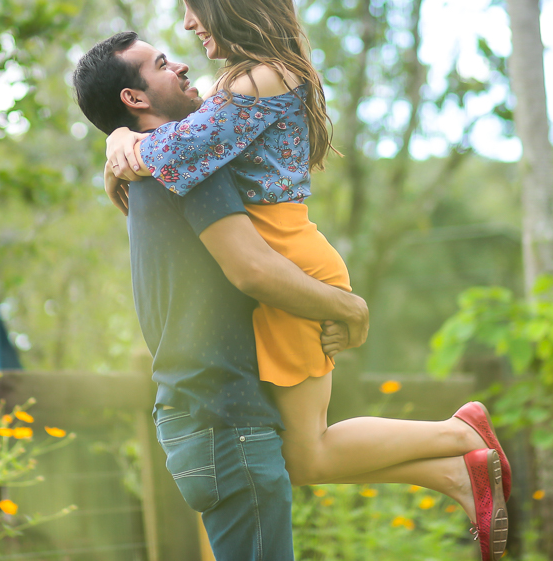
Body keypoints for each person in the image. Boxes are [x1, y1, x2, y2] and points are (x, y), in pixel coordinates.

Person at [99, 0, 509, 561]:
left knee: (308, 452)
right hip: (284, 258)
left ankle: (459, 434)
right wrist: (119, 141)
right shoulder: (242, 79)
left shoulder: (263, 77)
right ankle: (457, 472)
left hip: (288, 262)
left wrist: (120, 146)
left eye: (194, 5)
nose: (187, 23)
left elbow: (182, 148)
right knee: (302, 455)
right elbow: (182, 135)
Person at [73, 31, 371, 560]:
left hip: (200, 420)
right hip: (225, 421)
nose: (181, 66)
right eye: (162, 64)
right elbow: (253, 269)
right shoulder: (188, 167)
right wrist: (348, 308)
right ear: (133, 97)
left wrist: (118, 137)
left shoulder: (149, 172)